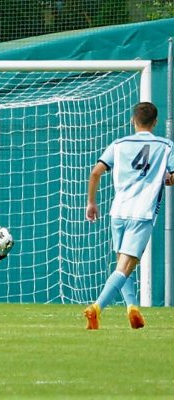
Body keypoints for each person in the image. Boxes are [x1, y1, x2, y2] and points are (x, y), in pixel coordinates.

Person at [85, 101, 174, 330]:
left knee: (122, 264)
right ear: (155, 123)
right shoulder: (166, 146)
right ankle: (96, 308)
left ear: (133, 120)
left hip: (118, 212)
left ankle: (132, 308)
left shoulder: (119, 143)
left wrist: (91, 202)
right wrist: (162, 179)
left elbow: (96, 172)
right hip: (141, 213)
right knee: (125, 267)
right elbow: (173, 176)